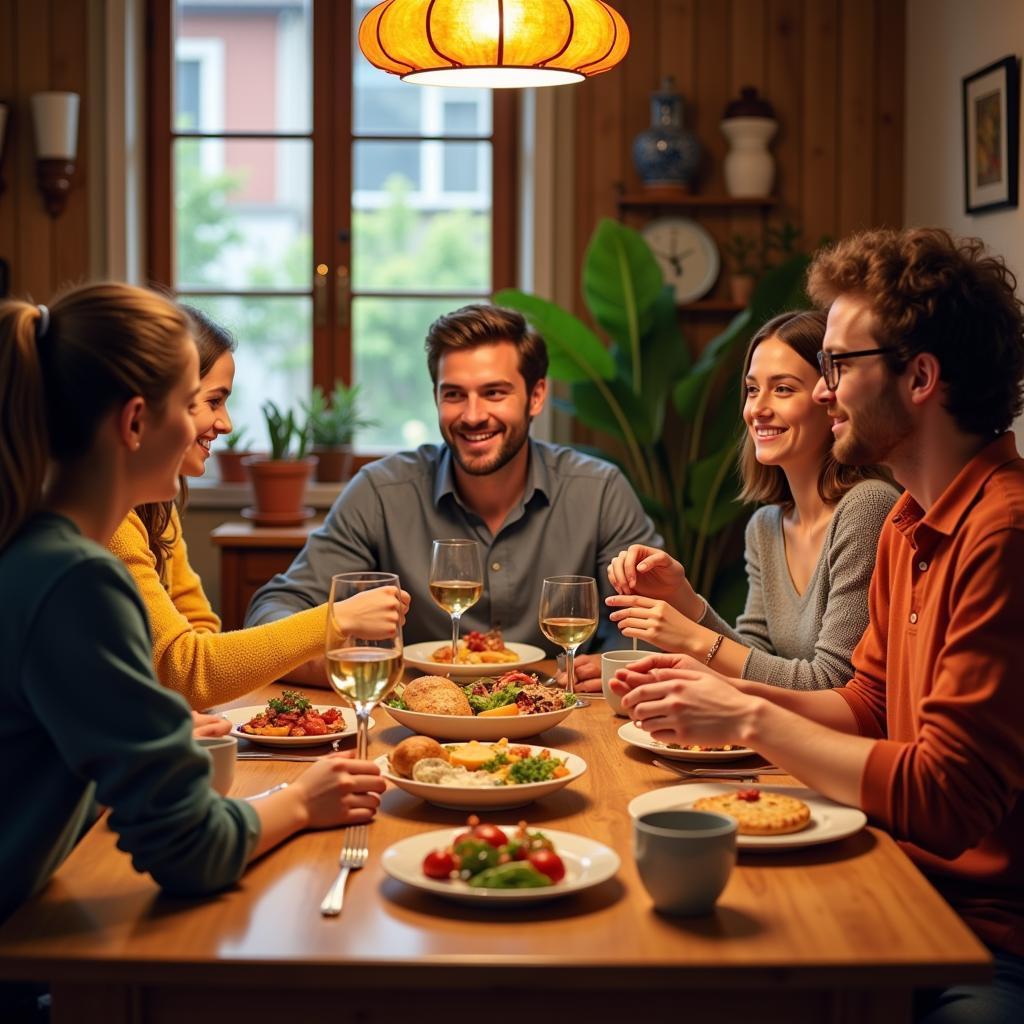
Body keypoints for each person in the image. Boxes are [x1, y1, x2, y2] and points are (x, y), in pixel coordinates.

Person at [611, 228, 1024, 1022]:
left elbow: (947, 798)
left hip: (984, 935)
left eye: (838, 365)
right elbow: (864, 704)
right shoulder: (912, 521)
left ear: (920, 378)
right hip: (895, 875)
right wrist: (706, 684)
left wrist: (747, 711)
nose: (825, 389)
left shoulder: (1001, 534)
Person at [0, 283, 386, 925]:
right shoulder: (77, 582)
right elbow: (190, 848)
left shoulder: (38, 546)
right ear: (134, 423)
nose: (214, 425)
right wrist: (301, 801)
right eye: (192, 402)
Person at [245, 303, 661, 685]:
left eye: (494, 393)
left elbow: (660, 625)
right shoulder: (380, 491)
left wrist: (616, 671)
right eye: (454, 395)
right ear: (436, 399)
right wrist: (352, 667)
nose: (473, 415)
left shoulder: (600, 490)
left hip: (558, 718)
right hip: (413, 720)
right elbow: (275, 612)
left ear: (536, 396)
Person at [108, 306, 408, 709]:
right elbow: (189, 670)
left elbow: (199, 634)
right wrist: (336, 619)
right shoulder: (107, 523)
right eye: (213, 401)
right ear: (144, 408)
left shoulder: (154, 504)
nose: (226, 423)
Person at [606, 310, 898, 690]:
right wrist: (685, 600)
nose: (757, 409)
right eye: (752, 389)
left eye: (783, 389)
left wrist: (692, 637)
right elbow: (755, 657)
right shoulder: (766, 526)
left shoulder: (867, 507)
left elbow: (834, 685)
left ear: (831, 399)